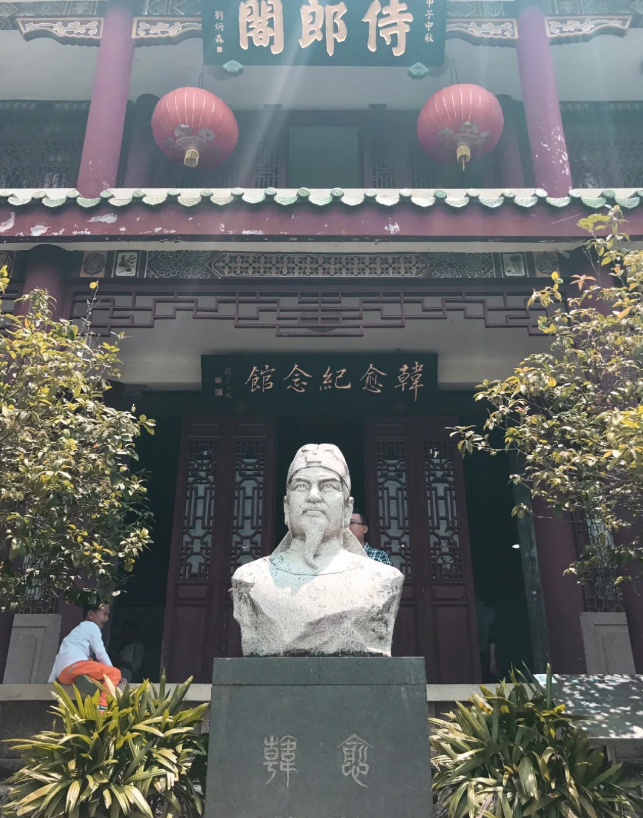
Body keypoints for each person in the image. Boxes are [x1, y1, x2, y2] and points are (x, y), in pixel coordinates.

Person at [232, 443, 404, 657]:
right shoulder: (250, 579)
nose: (313, 496)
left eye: (328, 486)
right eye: (301, 486)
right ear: (286, 506)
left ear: (347, 509)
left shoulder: (382, 580)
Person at [48, 603, 121, 710]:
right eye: (104, 614)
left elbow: (58, 657)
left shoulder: (76, 632)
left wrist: (51, 681)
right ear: (91, 614)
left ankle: (87, 682)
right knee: (115, 673)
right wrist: (111, 671)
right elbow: (100, 653)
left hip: (63, 675)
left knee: (93, 670)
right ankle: (102, 707)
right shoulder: (92, 627)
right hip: (76, 666)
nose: (106, 619)